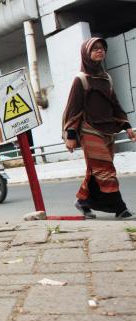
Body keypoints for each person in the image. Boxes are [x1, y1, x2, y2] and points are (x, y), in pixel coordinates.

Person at [62, 37, 136, 220]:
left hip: (108, 130)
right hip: (89, 130)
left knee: (96, 170)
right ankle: (120, 209)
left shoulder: (106, 78)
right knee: (106, 169)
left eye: (102, 48)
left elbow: (115, 104)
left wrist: (127, 126)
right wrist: (70, 135)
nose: (100, 51)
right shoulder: (80, 79)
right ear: (86, 54)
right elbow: (73, 109)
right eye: (95, 48)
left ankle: (82, 201)